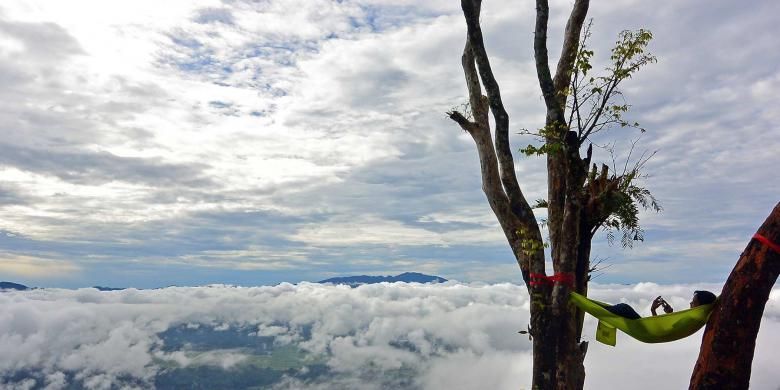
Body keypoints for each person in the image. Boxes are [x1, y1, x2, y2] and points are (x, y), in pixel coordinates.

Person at [604, 290, 717, 320]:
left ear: (701, 305)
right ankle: (599, 309)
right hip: (651, 331)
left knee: (624, 308)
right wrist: (670, 314)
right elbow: (666, 328)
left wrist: (653, 310)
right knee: (623, 308)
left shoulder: (693, 318)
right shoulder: (694, 318)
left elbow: (660, 328)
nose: (690, 303)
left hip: (648, 331)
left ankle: (598, 309)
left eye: (694, 302)